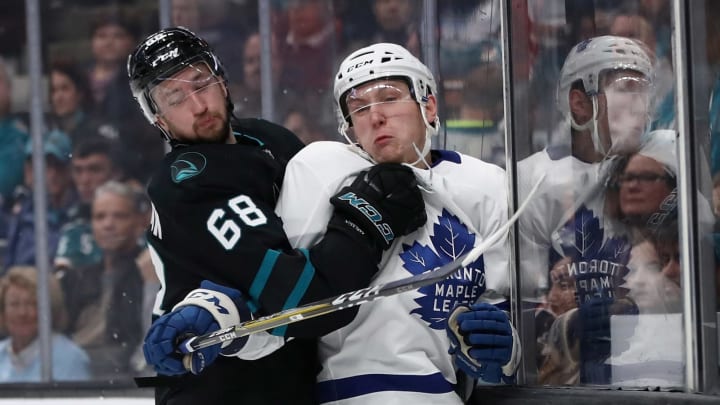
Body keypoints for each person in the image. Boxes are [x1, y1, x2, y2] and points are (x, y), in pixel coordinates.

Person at [127, 27, 426, 403]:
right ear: (158, 118)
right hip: (217, 390)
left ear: (221, 79)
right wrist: (369, 220)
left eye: (201, 83)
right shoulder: (184, 184)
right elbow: (306, 303)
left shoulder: (269, 139)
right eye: (175, 98)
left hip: (293, 380)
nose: (198, 105)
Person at [272, 42, 519, 404]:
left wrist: (505, 349)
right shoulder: (323, 171)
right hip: (353, 391)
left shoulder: (486, 184)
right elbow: (287, 298)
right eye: (359, 108)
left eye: (388, 97)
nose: (375, 116)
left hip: (447, 393)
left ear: (429, 106)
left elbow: (498, 306)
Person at [517, 35, 654, 385]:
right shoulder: (534, 180)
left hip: (650, 360)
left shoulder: (664, 167)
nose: (640, 105)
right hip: (563, 376)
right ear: (580, 104)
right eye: (626, 88)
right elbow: (521, 299)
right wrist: (567, 326)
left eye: (643, 90)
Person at [61, 180, 149, 380]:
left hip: (124, 377)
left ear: (139, 222)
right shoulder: (77, 277)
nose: (108, 225)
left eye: (119, 216)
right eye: (99, 217)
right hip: (73, 374)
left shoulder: (147, 274)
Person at [0, 265, 90, 382]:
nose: (22, 313)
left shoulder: (70, 358)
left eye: (32, 303)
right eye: (14, 304)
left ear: (50, 309)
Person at [4, 129, 77, 270]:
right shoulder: (20, 210)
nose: (52, 174)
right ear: (28, 171)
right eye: (44, 166)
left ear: (69, 171)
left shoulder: (79, 211)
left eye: (58, 165)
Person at [54, 138, 126, 272]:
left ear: (116, 173)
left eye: (94, 170)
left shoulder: (139, 223)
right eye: (78, 171)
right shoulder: (72, 228)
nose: (85, 180)